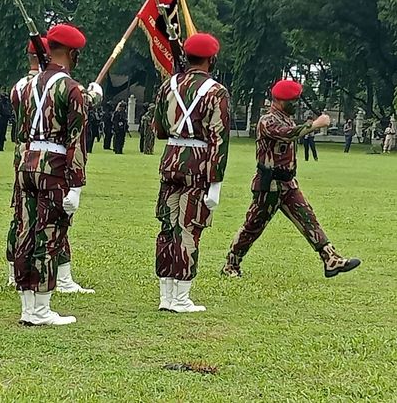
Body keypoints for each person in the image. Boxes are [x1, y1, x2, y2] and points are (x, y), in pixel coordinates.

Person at [222, 80, 361, 279]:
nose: (295, 103)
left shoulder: (286, 118)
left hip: (288, 183)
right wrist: (315, 125)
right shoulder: (267, 120)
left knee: (308, 219)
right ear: (278, 100)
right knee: (253, 226)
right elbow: (287, 135)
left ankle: (330, 259)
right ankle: (231, 264)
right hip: (268, 185)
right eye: (292, 100)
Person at [14, 24, 91, 326]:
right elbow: (77, 140)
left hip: (28, 162)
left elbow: (21, 130)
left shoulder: (28, 85)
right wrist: (77, 185)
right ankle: (41, 308)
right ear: (72, 53)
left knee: (26, 232)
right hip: (55, 167)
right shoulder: (71, 88)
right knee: (49, 236)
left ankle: (27, 305)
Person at [153, 33, 230, 314]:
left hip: (171, 158)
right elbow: (219, 139)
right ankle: (181, 297)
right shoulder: (215, 91)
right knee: (190, 227)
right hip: (197, 164)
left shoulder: (168, 85)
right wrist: (216, 182)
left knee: (167, 226)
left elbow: (159, 129)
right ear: (212, 59)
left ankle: (166, 294)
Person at [6, 38, 46, 286]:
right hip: (44, 152)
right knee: (49, 214)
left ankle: (14, 268)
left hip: (22, 151)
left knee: (21, 213)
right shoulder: (48, 84)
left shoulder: (19, 86)